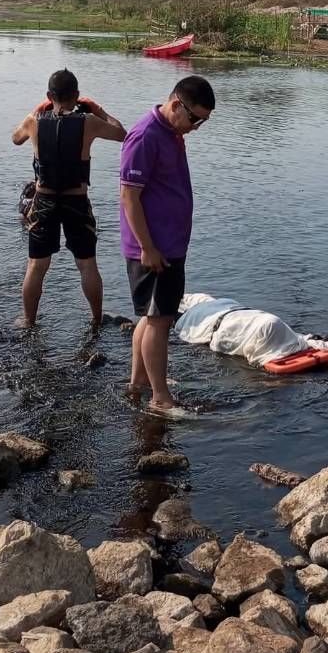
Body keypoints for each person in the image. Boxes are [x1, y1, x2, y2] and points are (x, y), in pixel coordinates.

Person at [120, 76, 215, 414]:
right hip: (153, 248)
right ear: (176, 105)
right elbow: (129, 197)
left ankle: (140, 383)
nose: (196, 127)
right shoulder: (145, 135)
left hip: (168, 244)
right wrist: (147, 247)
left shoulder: (172, 132)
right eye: (195, 119)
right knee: (159, 321)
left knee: (151, 318)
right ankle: (160, 398)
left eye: (203, 121)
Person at [11, 69, 126, 326]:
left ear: (49, 96)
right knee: (87, 265)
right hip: (76, 201)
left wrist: (37, 109)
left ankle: (28, 320)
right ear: (77, 95)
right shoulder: (89, 122)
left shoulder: (34, 121)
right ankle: (96, 319)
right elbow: (122, 134)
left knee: (36, 266)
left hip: (44, 201)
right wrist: (97, 109)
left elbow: (16, 138)